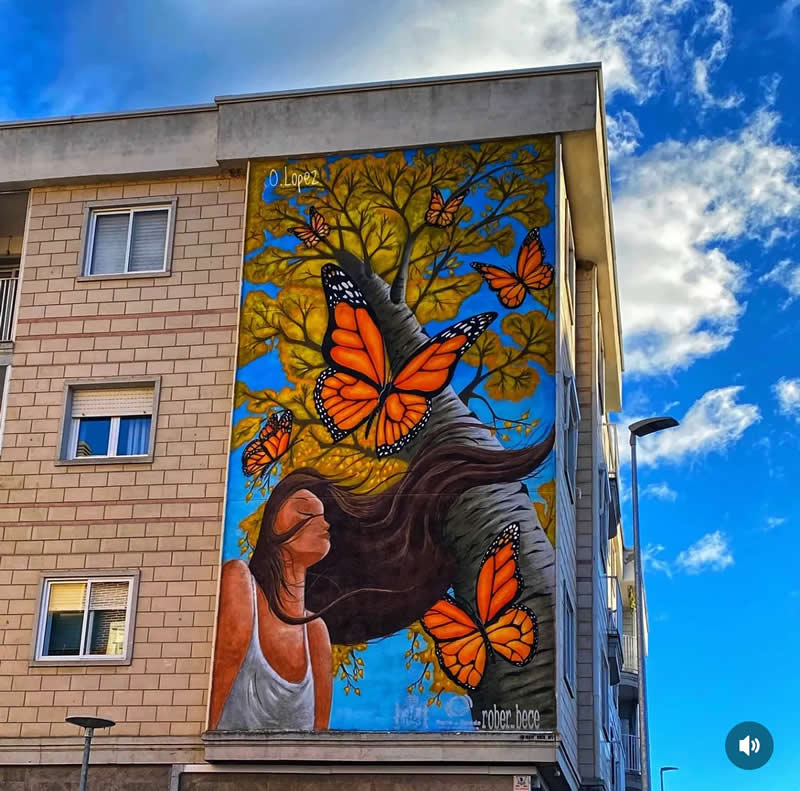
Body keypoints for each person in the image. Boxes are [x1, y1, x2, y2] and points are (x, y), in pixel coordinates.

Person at [209, 427, 555, 731]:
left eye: (323, 515)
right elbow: (212, 715)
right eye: (303, 510)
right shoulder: (241, 584)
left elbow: (316, 742)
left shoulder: (316, 635)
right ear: (272, 523)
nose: (321, 521)